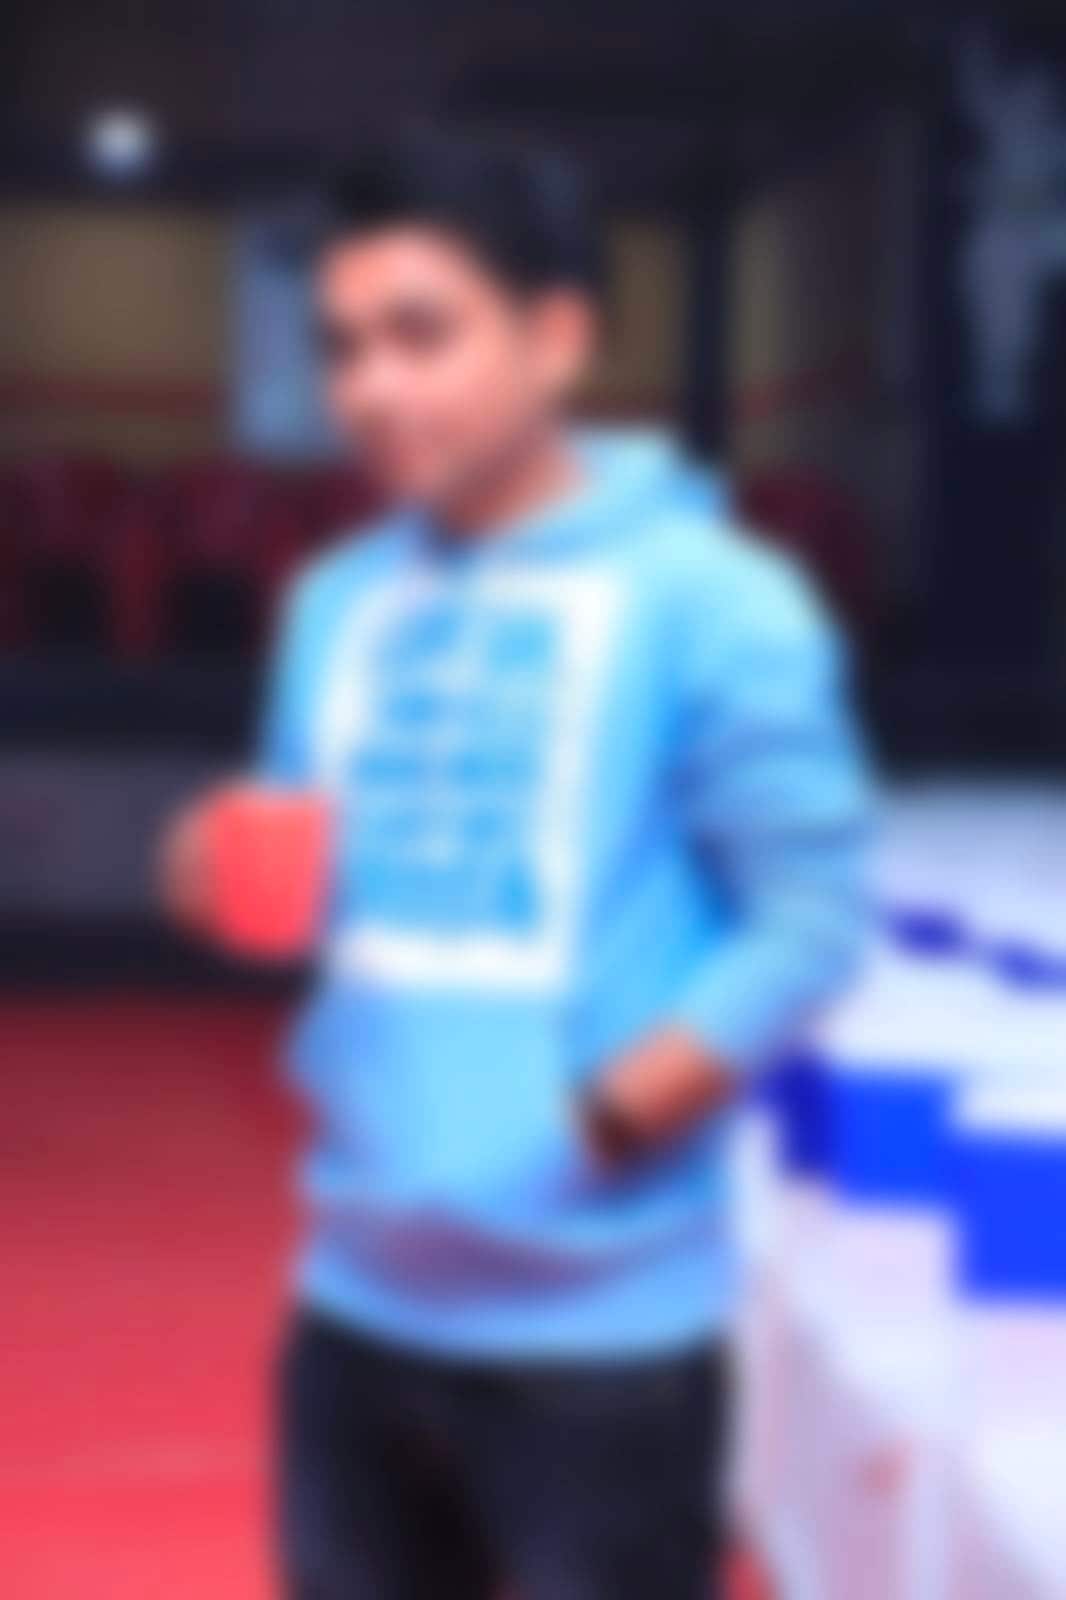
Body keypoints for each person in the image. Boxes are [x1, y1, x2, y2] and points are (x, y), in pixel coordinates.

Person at [162, 131, 869, 1600]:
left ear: (557, 337)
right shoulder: (333, 602)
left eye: (421, 335)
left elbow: (806, 926)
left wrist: (598, 1126)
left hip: (602, 1351)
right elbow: (291, 876)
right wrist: (198, 863)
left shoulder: (716, 599)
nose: (372, 388)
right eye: (343, 348)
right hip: (352, 1309)